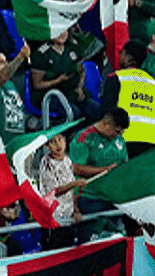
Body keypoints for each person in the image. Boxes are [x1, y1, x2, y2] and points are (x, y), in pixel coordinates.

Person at [69, 108, 130, 243]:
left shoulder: (119, 140)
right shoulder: (84, 138)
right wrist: (104, 170)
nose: (118, 135)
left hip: (113, 197)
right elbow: (75, 168)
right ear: (106, 124)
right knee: (90, 241)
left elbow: (124, 161)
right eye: (117, 131)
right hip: (90, 198)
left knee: (117, 240)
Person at [30, 28, 100, 121]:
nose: (62, 34)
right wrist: (57, 80)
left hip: (72, 92)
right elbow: (37, 84)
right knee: (74, 113)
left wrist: (80, 87)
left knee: (96, 109)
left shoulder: (73, 47)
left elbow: (81, 72)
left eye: (64, 30)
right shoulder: (41, 54)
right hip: (50, 95)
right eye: (58, 31)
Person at [37, 133, 87, 250]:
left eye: (60, 139)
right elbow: (54, 192)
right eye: (53, 142)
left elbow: (72, 192)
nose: (58, 144)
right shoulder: (46, 163)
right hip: (53, 219)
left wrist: (75, 210)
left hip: (68, 218)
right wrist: (74, 184)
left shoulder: (67, 160)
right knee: (52, 252)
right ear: (47, 146)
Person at [0, 45, 31, 143]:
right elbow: (2, 77)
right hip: (1, 143)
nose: (7, 64)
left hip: (19, 139)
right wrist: (19, 58)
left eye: (6, 61)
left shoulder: (10, 84)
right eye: (1, 62)